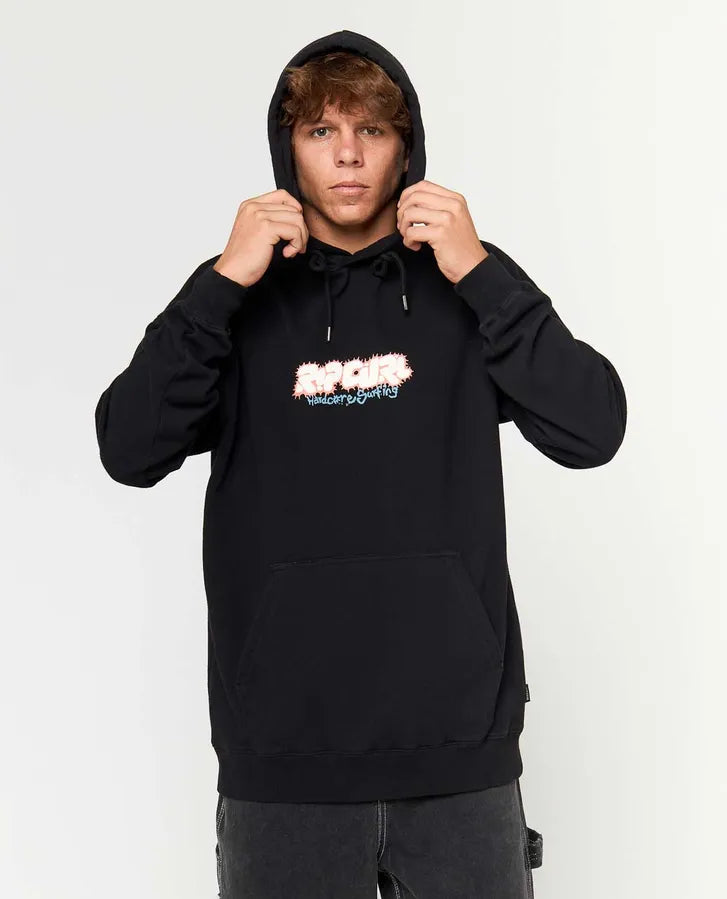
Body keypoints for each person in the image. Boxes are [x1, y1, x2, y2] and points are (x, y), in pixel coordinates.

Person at [94, 28, 626, 899]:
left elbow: (592, 429)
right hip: (281, 764)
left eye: (370, 130)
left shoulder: (466, 282)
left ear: (405, 148)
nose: (347, 154)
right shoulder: (235, 295)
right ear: (288, 149)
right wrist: (220, 283)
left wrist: (479, 271)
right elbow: (129, 448)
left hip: (460, 760)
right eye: (320, 131)